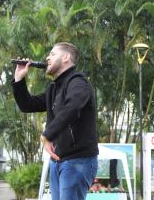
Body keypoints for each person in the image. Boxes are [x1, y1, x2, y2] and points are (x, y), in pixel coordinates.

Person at [11, 42, 99, 200]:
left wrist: (48, 135)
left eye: (52, 54)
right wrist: (19, 78)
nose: (47, 57)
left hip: (78, 160)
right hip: (58, 161)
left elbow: (72, 107)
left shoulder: (79, 81)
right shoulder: (54, 88)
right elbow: (27, 105)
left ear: (66, 57)